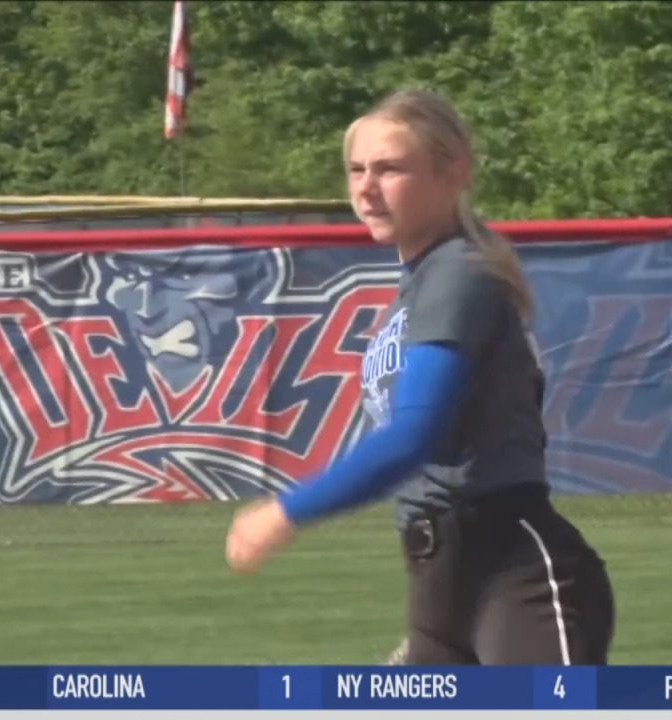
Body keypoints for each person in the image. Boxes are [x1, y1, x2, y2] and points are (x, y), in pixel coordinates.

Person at [225, 88, 615, 665]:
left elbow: (413, 437)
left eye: (389, 169)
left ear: (453, 172)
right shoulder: (421, 284)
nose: (365, 186)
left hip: (515, 577)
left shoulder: (459, 275)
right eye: (356, 170)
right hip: (441, 593)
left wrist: (286, 512)